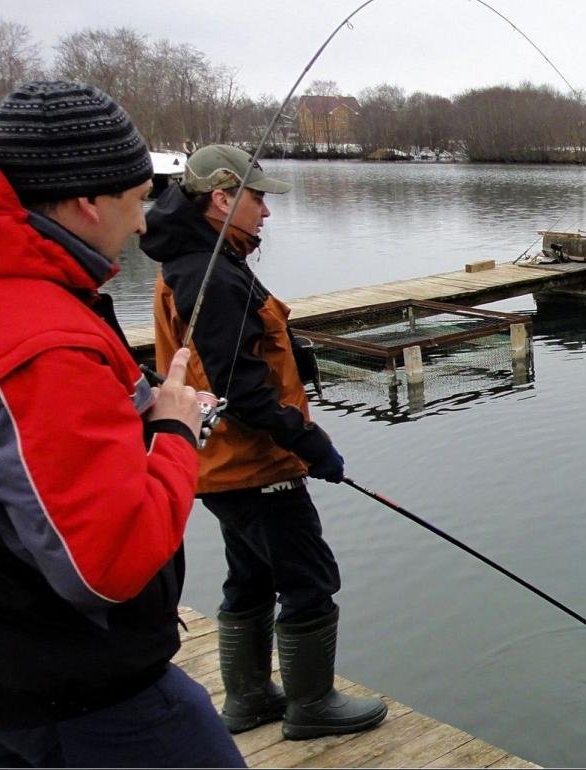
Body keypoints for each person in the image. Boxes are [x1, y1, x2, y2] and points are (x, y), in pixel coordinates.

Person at [0, 81, 245, 768]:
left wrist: (132, 409)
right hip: (92, 697)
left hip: (3, 680)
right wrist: (176, 432)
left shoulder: (0, 294)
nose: (147, 223)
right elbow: (109, 567)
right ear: (85, 204)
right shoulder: (45, 343)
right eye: (135, 201)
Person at [140, 144, 387, 740]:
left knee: (249, 575)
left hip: (222, 464)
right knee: (309, 578)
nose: (266, 213)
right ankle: (311, 707)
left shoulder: (194, 260)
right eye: (258, 199)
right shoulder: (211, 275)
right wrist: (310, 444)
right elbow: (243, 389)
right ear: (223, 199)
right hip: (255, 465)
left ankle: (250, 700)